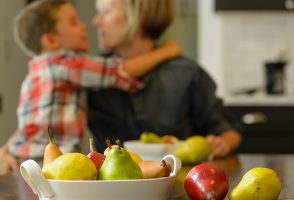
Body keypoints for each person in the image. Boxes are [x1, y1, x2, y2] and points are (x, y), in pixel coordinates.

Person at [0, 0, 180, 175]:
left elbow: (29, 127)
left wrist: (7, 149)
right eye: (73, 22)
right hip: (46, 162)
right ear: (50, 40)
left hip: (23, 160)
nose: (85, 25)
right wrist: (165, 52)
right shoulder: (64, 64)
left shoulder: (37, 71)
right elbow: (119, 71)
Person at [87, 0, 242, 157]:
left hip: (176, 179)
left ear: (139, 15)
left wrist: (221, 144)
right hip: (109, 181)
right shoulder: (91, 75)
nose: (96, 21)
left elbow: (229, 132)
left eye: (106, 11)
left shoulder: (187, 74)